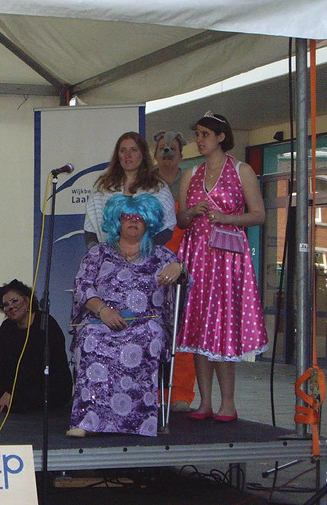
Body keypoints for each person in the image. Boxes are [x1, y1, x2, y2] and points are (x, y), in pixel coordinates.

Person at [67, 194, 185, 437]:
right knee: (90, 339)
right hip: (102, 322)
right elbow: (82, 286)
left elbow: (185, 281)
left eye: (140, 217)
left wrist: (180, 268)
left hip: (144, 325)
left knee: (150, 337)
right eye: (127, 217)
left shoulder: (162, 256)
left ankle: (140, 423)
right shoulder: (98, 253)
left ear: (149, 223)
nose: (133, 221)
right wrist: (103, 310)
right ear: (116, 221)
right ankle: (86, 421)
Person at [176, 112, 268, 423]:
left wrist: (227, 218)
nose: (199, 140)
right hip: (197, 256)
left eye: (205, 134)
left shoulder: (242, 170)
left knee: (223, 328)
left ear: (221, 137)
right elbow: (181, 220)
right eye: (198, 134)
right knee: (199, 327)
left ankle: (228, 403)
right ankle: (204, 401)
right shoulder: (191, 174)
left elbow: (259, 214)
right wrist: (192, 211)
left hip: (227, 259)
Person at [0, 279, 72, 413]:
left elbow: (35, 367)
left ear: (27, 301)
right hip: (13, 382)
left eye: (15, 301)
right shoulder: (6, 327)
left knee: (24, 401)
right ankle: (0, 400)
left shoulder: (45, 324)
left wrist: (12, 392)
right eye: (6, 305)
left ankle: (8, 401)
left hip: (43, 383)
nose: (11, 307)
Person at [152, 130, 196, 413]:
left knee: (183, 331)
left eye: (173, 149)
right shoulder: (146, 183)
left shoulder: (190, 182)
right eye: (162, 149)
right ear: (155, 154)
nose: (167, 153)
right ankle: (152, 390)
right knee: (153, 330)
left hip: (184, 266)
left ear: (181, 154)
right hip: (152, 265)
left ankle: (181, 392)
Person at [83, 131, 176, 250]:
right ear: (118, 155)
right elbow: (90, 226)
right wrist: (98, 253)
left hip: (147, 255)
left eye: (134, 150)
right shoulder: (102, 186)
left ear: (143, 154)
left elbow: (168, 226)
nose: (128, 155)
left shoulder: (158, 187)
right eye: (123, 150)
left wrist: (144, 250)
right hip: (108, 255)